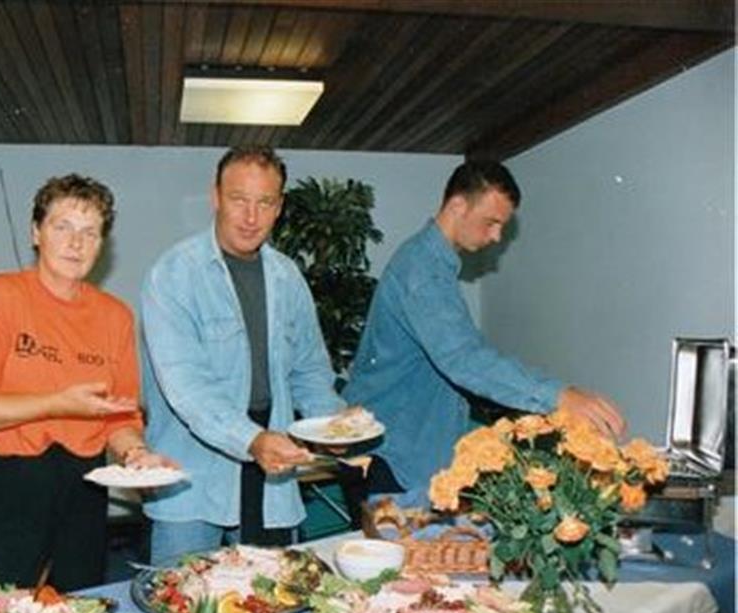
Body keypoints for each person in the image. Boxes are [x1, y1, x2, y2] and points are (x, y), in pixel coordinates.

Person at [343, 160, 626, 505]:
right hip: (392, 456)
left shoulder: (433, 265)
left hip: (408, 448)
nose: (496, 237)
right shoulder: (422, 271)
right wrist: (559, 397)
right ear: (457, 206)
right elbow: (463, 359)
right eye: (491, 222)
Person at [0, 174, 171, 590]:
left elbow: (119, 417)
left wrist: (136, 454)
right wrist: (59, 403)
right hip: (1, 479)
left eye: (90, 232)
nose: (76, 243)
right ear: (36, 233)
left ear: (102, 244)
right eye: (62, 227)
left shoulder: (115, 316)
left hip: (84, 483)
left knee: (78, 603)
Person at [140, 145, 346, 562]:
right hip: (193, 478)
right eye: (239, 199)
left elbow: (308, 368)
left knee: (273, 590)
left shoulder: (288, 277)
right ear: (215, 197)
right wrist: (251, 440)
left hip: (272, 471)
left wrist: (334, 426)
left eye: (264, 202)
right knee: (182, 594)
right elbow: (187, 387)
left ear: (279, 207)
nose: (251, 217)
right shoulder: (173, 274)